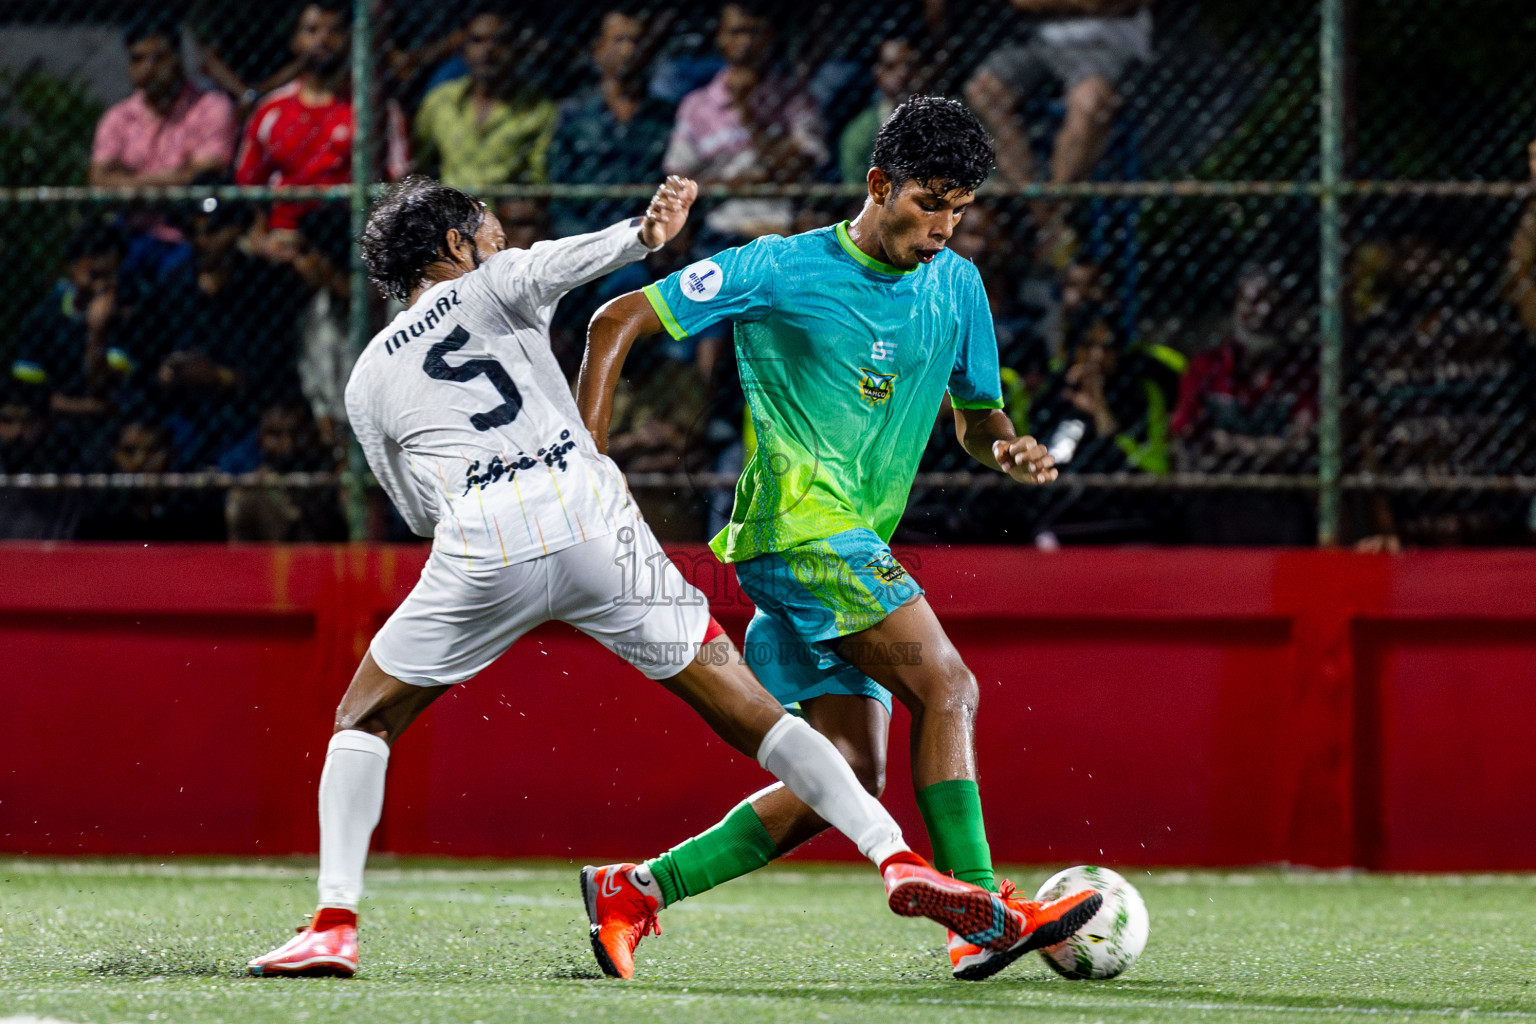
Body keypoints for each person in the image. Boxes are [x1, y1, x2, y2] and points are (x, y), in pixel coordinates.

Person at [245, 174, 1068, 978]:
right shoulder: (501, 276)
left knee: (364, 717)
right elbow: (574, 269)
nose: (500, 232)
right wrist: (642, 234)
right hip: (613, 524)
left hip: (483, 541)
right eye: (488, 223)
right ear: (459, 244)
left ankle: (337, 922)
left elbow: (418, 510)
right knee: (773, 712)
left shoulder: (364, 380)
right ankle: (914, 869)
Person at [579, 96, 1096, 982]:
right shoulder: (778, 267)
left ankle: (637, 890)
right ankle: (980, 912)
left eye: (959, 209)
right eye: (928, 202)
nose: (941, 226)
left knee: (846, 774)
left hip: (842, 540)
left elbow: (977, 418)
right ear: (877, 183)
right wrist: (584, 461)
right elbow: (614, 320)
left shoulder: (958, 287)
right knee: (948, 684)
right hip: (798, 528)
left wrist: (1003, 446)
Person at [963, 0, 1152, 262]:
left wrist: (1058, 6)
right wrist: (1085, 6)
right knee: (983, 90)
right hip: (1042, 42)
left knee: (1089, 105)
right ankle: (1048, 219)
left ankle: (1051, 217)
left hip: (1107, 44)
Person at [234, 1, 408, 251]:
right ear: (295, 41)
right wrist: (261, 238)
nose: (323, 39)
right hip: (282, 237)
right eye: (312, 30)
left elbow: (399, 183)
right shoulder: (270, 110)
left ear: (350, 39)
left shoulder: (376, 111)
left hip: (352, 237)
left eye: (334, 30)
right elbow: (250, 184)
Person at [663, 1, 826, 239]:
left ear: (770, 37)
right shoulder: (696, 106)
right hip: (719, 232)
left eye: (755, 32)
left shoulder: (796, 100)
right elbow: (678, 178)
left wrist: (746, 113)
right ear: (720, 38)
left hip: (785, 229)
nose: (746, 41)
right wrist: (726, 185)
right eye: (737, 32)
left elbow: (799, 166)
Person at [547, 10, 675, 236]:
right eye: (620, 40)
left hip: (647, 234)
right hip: (583, 233)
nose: (629, 50)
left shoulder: (666, 116)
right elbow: (557, 185)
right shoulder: (573, 115)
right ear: (598, 49)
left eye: (637, 41)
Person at [411, 10, 558, 191]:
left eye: (499, 41)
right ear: (463, 49)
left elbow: (540, 176)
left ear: (515, 49)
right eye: (478, 41)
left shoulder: (536, 108)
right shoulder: (440, 100)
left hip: (504, 214)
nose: (488, 50)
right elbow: (418, 163)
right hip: (451, 213)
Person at [90, 15, 238, 189]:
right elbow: (99, 179)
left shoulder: (212, 107)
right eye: (137, 59)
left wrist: (127, 184)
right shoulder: (119, 116)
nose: (147, 69)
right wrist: (176, 177)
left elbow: (203, 176)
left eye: (156, 59)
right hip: (131, 214)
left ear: (177, 59)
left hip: (188, 213)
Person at [838, 38, 920, 187]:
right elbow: (853, 187)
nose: (903, 73)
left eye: (909, 65)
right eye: (891, 66)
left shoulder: (945, 119)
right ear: (878, 73)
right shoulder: (860, 131)